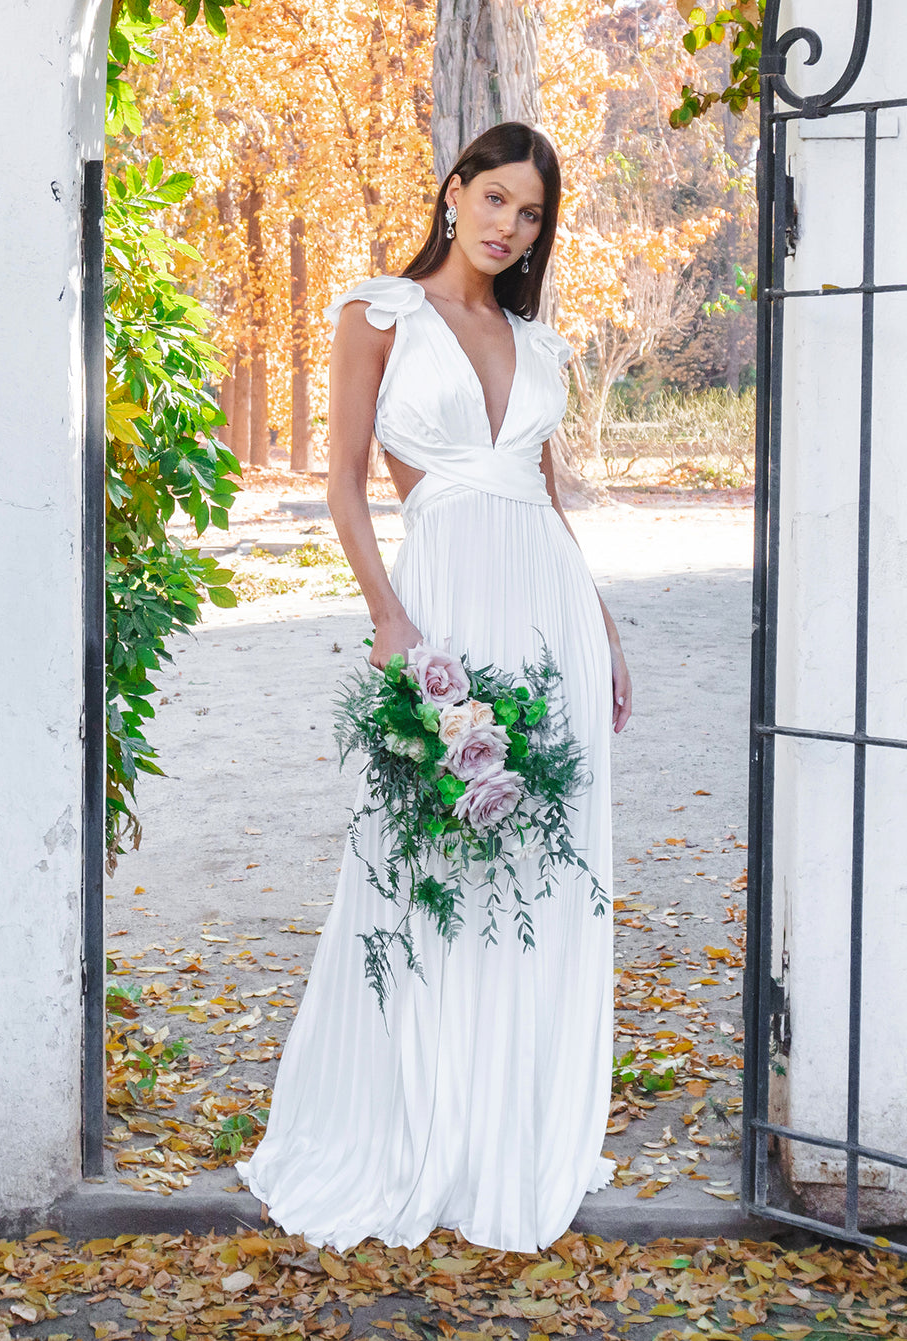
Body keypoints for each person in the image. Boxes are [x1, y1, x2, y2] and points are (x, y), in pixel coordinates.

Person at [237, 121, 632, 1253]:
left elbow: (549, 504)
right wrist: (389, 617)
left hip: (547, 609)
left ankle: (511, 1122)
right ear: (454, 192)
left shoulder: (538, 342)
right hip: (445, 602)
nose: (511, 227)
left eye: (533, 214)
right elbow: (347, 485)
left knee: (540, 864)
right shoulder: (379, 313)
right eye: (496, 199)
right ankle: (416, 1120)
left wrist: (601, 626)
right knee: (424, 859)